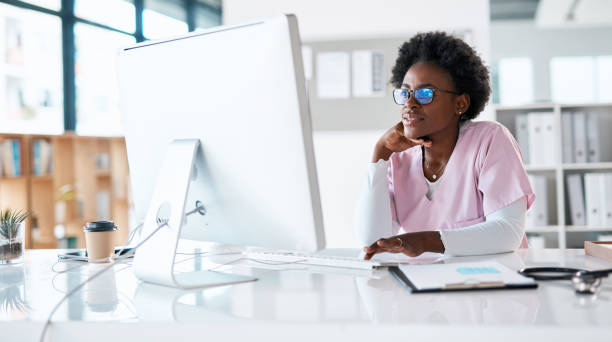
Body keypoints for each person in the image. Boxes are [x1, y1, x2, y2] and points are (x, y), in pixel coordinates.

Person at [355, 31, 535, 260]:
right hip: (426, 287)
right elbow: (372, 241)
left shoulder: (490, 140)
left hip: (493, 285)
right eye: (405, 93)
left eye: (425, 93)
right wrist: (380, 153)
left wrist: (425, 241)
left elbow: (507, 232)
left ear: (460, 103)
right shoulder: (399, 158)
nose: (409, 104)